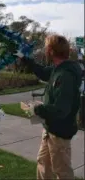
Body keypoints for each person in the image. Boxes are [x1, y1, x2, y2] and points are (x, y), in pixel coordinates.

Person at [14, 34, 82, 180]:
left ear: (51, 51)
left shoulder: (65, 75)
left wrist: (36, 109)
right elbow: (43, 72)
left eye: (46, 47)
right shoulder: (57, 69)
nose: (44, 50)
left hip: (60, 133)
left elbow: (61, 110)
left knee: (62, 171)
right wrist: (23, 57)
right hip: (50, 129)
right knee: (43, 164)